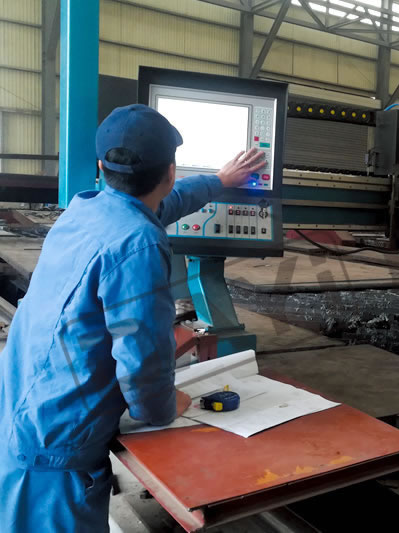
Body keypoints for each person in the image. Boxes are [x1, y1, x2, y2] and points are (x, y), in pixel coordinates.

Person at [0, 104, 266, 532]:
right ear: (170, 171)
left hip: (24, 408)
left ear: (102, 167)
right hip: (56, 450)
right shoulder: (139, 244)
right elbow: (142, 358)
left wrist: (219, 181)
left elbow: (163, 204)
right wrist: (163, 407)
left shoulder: (87, 209)